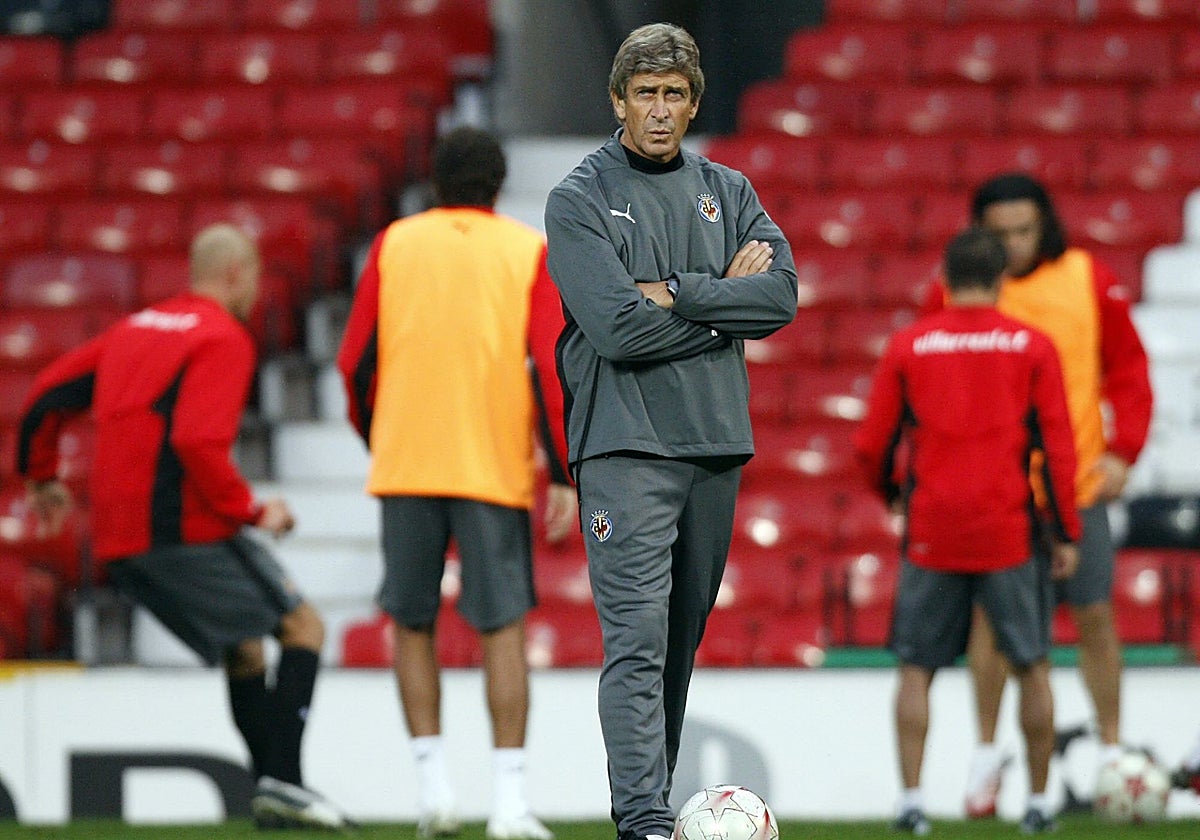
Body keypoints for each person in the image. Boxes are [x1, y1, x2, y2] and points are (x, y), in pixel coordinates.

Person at [543, 22, 798, 840]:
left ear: (693, 105)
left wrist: (676, 292)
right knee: (638, 636)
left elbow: (782, 299)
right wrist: (723, 304)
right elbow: (616, 331)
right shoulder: (577, 198)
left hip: (714, 441)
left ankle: (652, 811)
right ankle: (643, 818)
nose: (660, 110)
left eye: (675, 95)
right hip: (622, 444)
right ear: (618, 101)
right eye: (645, 94)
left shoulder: (732, 190)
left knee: (677, 641)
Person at [16, 223, 351, 831]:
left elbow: (45, 393)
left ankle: (273, 795)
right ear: (236, 274)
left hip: (120, 540)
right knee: (304, 626)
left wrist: (40, 473)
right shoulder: (222, 336)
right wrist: (254, 511)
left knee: (245, 647)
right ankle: (286, 783)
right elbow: (197, 441)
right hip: (179, 529)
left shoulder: (133, 329)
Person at [336, 126, 576, 840]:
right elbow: (552, 366)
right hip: (492, 465)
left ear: (434, 184)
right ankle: (508, 806)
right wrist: (562, 471)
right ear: (498, 186)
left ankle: (433, 792)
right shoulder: (525, 250)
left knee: (411, 622)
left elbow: (354, 362)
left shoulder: (394, 244)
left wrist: (377, 436)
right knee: (502, 628)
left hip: (407, 461)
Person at [921, 175, 1154, 818]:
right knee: (992, 628)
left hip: (1072, 489)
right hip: (992, 493)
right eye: (1001, 234)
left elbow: (1129, 368)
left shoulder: (1088, 277)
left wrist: (1123, 450)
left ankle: (1111, 751)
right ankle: (988, 752)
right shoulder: (954, 291)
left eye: (1025, 230)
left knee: (1095, 615)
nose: (1016, 245)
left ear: (1044, 225)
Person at [856, 226, 1083, 835]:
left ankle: (910, 803)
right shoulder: (1032, 346)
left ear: (945, 278)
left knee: (915, 669)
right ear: (1002, 277)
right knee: (1032, 663)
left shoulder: (910, 345)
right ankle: (1037, 805)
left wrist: (894, 497)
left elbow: (871, 443)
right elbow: (1058, 449)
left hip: (933, 529)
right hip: (1007, 529)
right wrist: (1066, 533)